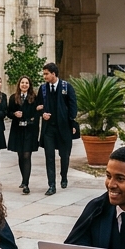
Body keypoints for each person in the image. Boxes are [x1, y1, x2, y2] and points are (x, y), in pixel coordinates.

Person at [37, 62, 78, 194]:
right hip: (48, 129)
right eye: (44, 74)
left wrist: (72, 124)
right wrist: (42, 114)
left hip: (64, 128)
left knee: (64, 155)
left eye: (46, 74)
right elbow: (38, 107)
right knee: (49, 156)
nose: (44, 76)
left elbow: (73, 108)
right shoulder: (42, 89)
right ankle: (52, 185)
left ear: (53, 74)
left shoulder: (67, 87)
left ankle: (64, 177)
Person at [7, 74, 39, 194]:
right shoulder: (13, 98)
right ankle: (23, 179)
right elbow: (8, 112)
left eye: (26, 83)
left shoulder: (34, 97)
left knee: (27, 155)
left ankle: (26, 183)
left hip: (30, 130)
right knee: (20, 155)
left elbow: (37, 113)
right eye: (22, 83)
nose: (24, 85)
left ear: (29, 85)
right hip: (17, 129)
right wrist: (14, 114)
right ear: (19, 85)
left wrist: (31, 121)